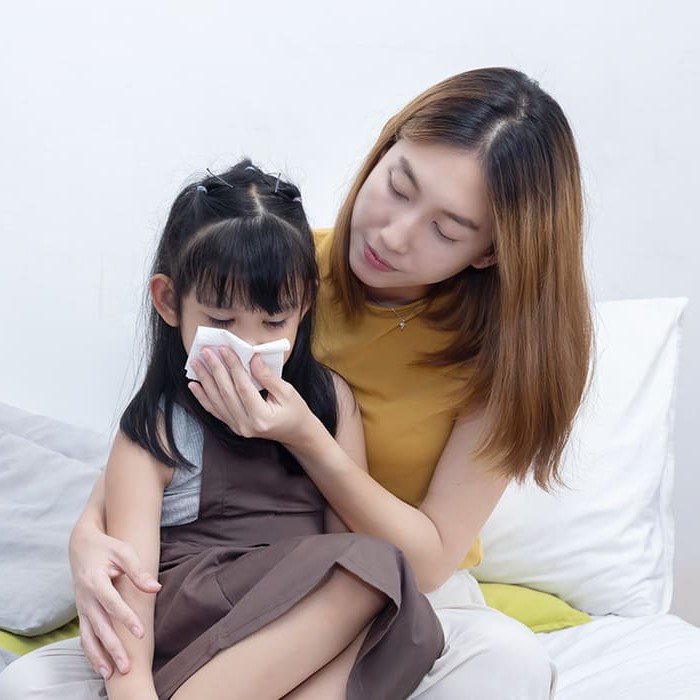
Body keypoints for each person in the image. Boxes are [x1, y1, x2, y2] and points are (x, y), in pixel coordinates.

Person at [0, 67, 591, 699]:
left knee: (506, 660)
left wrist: (310, 439)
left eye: (445, 230)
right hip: (214, 578)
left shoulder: (506, 359)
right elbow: (153, 441)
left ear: (491, 251)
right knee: (32, 683)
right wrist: (86, 538)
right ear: (384, 149)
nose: (392, 236)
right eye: (398, 186)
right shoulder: (274, 263)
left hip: (384, 580)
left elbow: (418, 565)